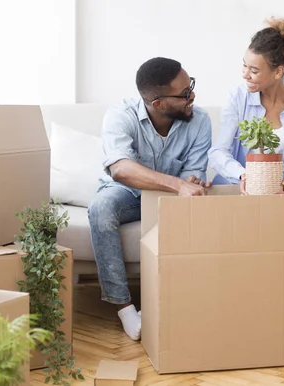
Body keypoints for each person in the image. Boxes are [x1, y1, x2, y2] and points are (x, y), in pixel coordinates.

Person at [88, 57, 212, 340]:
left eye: (190, 85)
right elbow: (120, 169)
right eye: (183, 93)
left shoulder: (200, 120)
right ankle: (125, 309)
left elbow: (192, 173)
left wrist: (190, 183)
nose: (191, 95)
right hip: (128, 195)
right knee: (101, 208)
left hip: (169, 200)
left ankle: (178, 301)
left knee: (196, 206)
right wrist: (177, 184)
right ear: (158, 103)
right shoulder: (121, 115)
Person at [208, 17, 284, 194]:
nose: (245, 75)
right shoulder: (237, 98)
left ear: (278, 71)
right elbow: (218, 152)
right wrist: (244, 176)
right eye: (244, 66)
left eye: (254, 71)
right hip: (239, 192)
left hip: (280, 195)